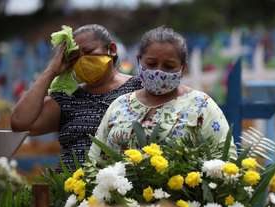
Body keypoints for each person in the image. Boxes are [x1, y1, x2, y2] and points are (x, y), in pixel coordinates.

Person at [88, 26, 236, 162]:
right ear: (139, 61)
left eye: (169, 66)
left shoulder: (201, 105)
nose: (159, 71)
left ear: (183, 68)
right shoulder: (120, 105)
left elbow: (225, 159)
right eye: (151, 64)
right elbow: (95, 159)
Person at [11, 24, 142, 169]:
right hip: (70, 187)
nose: (82, 60)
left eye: (88, 51)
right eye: (74, 56)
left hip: (121, 186)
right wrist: (51, 70)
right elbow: (19, 123)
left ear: (111, 49)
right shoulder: (68, 98)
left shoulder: (137, 88)